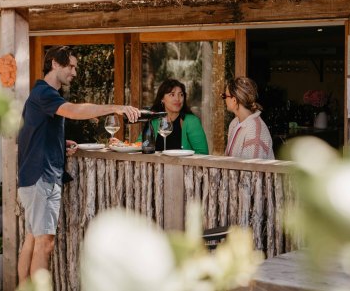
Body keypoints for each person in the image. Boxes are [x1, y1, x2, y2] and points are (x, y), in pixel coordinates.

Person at [17, 46, 140, 284]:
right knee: (45, 242)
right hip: (41, 177)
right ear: (54, 63)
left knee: (33, 238)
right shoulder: (45, 93)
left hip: (36, 176)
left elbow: (33, 134)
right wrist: (115, 107)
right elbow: (74, 111)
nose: (74, 72)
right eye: (70, 66)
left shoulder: (42, 95)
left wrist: (60, 144)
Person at [138, 79, 208, 154]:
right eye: (172, 94)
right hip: (155, 165)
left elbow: (202, 153)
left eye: (181, 95)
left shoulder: (191, 121)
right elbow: (140, 146)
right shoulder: (154, 121)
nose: (177, 99)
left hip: (183, 165)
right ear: (162, 99)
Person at [223, 77, 274, 160]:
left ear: (234, 100)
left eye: (225, 96)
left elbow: (251, 170)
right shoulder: (234, 123)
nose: (224, 99)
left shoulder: (254, 131)